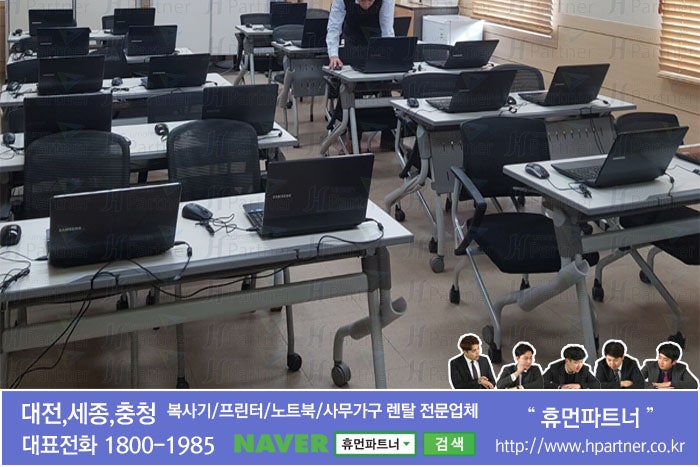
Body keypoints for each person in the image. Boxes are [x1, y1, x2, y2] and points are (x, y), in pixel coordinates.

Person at [326, 0, 395, 70]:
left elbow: (387, 29)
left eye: (370, 0)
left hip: (375, 44)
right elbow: (334, 28)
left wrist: (390, 55)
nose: (367, 5)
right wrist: (333, 55)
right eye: (362, 0)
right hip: (351, 42)